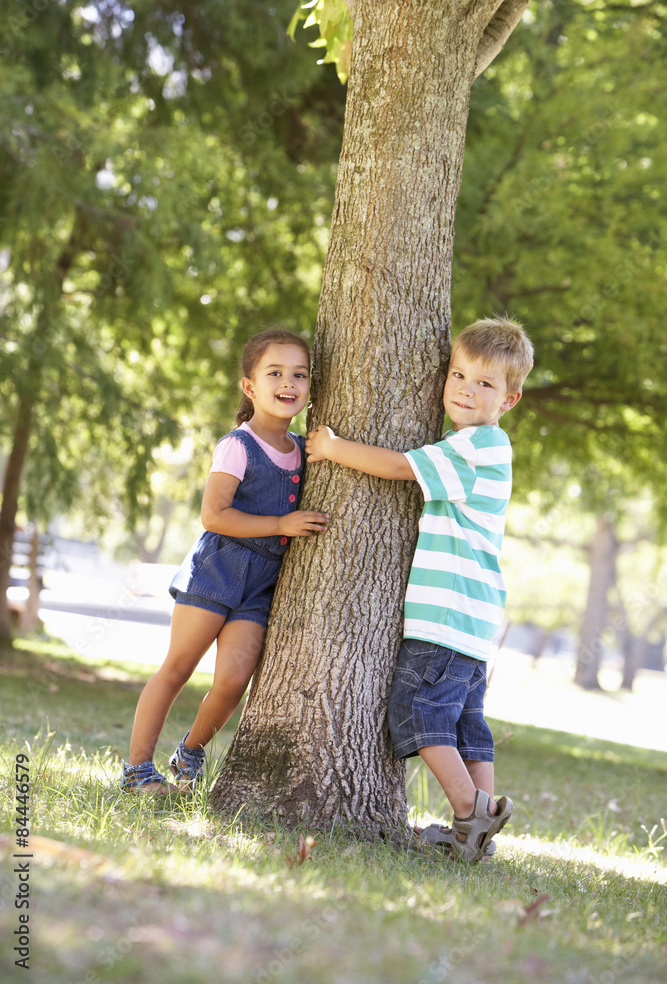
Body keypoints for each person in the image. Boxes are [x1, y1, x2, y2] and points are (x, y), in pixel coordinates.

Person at [306, 316, 533, 861]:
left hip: (447, 613)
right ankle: (480, 829)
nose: (466, 390)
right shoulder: (480, 445)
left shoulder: (477, 447)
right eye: (459, 375)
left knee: (418, 708)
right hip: (474, 618)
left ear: (509, 399)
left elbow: (400, 466)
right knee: (466, 723)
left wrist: (334, 449)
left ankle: (469, 815)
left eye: (485, 384)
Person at [121, 329, 329, 795]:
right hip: (219, 569)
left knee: (235, 679)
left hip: (262, 583)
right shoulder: (238, 444)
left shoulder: (305, 449)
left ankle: (189, 752)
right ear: (250, 386)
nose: (288, 382)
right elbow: (214, 514)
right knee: (177, 667)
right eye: (274, 372)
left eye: (299, 374)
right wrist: (282, 523)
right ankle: (137, 770)